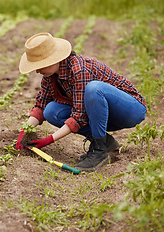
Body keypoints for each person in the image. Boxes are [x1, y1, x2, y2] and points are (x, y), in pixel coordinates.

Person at [15, 32, 146, 172]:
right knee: (51, 111)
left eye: (40, 65)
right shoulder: (50, 76)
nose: (37, 71)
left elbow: (79, 116)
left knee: (94, 89)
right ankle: (105, 142)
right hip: (101, 114)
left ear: (53, 60)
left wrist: (48, 140)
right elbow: (41, 106)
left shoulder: (79, 69)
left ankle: (99, 151)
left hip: (130, 109)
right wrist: (24, 132)